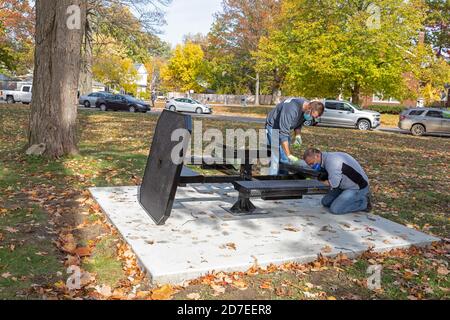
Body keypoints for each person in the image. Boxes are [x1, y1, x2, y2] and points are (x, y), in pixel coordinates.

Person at [266, 98, 325, 175]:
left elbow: (298, 123)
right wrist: (289, 154)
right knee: (278, 156)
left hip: (284, 129)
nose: (311, 118)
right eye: (312, 116)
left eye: (314, 117)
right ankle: (272, 180)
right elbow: (283, 133)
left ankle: (282, 179)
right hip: (273, 127)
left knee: (284, 158)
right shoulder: (291, 109)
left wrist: (298, 136)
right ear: (309, 108)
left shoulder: (306, 109)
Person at [303, 148, 371, 215]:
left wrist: (318, 181)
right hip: (343, 185)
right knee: (325, 202)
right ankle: (345, 199)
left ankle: (364, 203)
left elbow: (334, 184)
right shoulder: (324, 158)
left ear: (317, 156)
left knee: (336, 209)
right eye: (309, 165)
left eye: (312, 163)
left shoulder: (333, 163)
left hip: (357, 187)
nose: (312, 166)